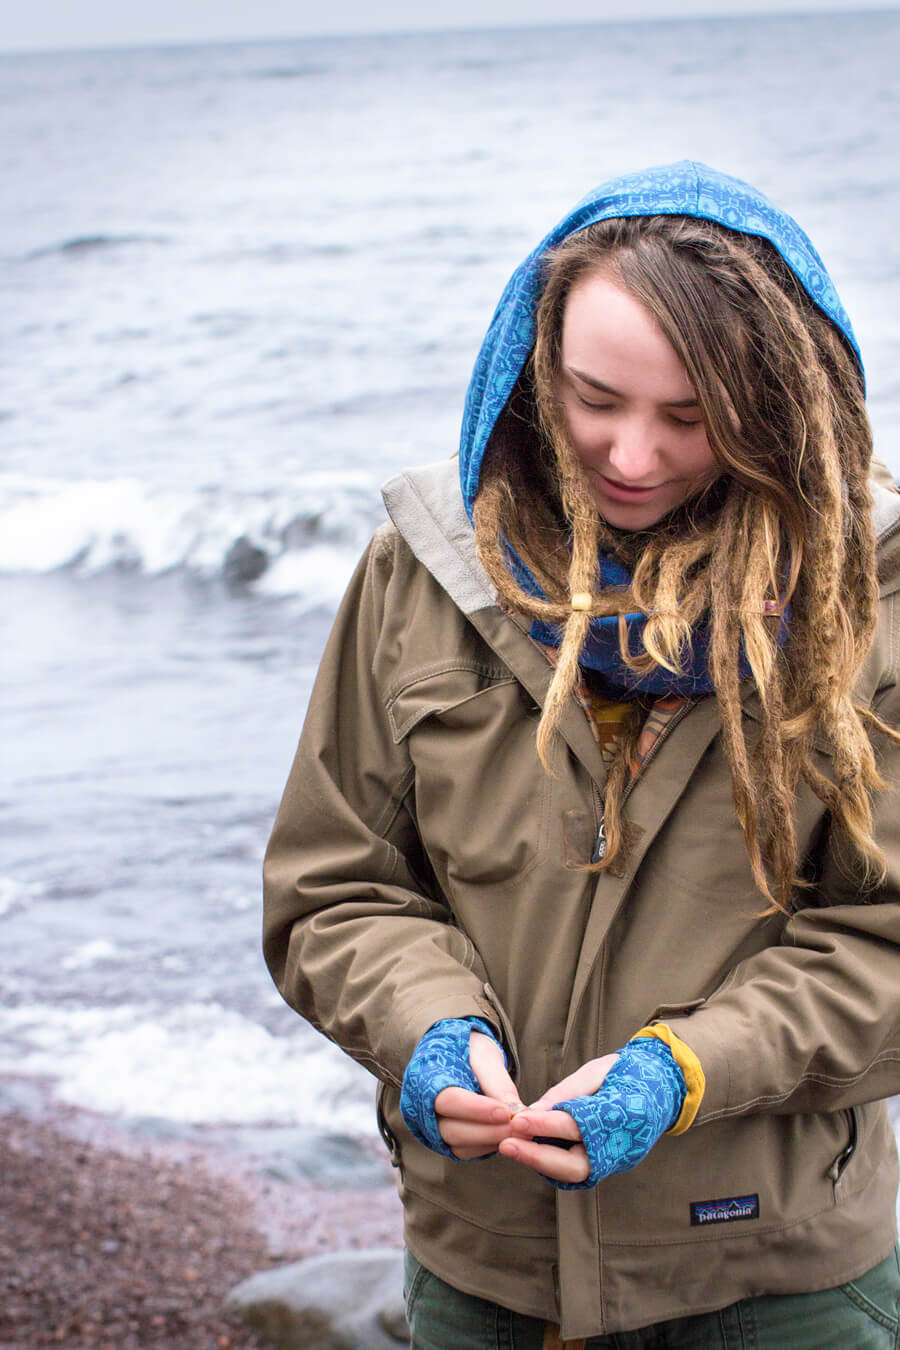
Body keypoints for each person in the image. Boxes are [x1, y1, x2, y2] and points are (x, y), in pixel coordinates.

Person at [262, 161, 900, 1348]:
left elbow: (888, 935)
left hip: (779, 1272)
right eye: (594, 397)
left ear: (780, 402)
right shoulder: (419, 572)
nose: (634, 457)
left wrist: (686, 1072)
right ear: (531, 359)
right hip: (487, 1264)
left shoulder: (875, 600)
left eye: (693, 418)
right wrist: (428, 1031)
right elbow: (336, 888)